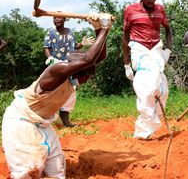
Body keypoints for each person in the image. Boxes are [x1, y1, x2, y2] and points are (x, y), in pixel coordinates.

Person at [2, 13, 113, 178]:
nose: (87, 78)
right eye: (86, 75)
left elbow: (98, 57)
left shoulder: (74, 77)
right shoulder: (57, 70)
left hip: (43, 124)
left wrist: (99, 29)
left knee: (57, 171)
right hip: (21, 121)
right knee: (27, 172)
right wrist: (105, 27)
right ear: (76, 67)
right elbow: (89, 59)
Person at [122, 0, 173, 140]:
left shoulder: (160, 9)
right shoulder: (131, 10)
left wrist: (168, 50)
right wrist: (126, 64)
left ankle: (151, 122)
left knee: (161, 88)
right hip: (139, 48)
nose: (151, 1)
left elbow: (168, 29)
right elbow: (124, 36)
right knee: (146, 87)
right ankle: (142, 131)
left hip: (156, 48)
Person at [43, 15, 95, 127]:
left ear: (65, 19)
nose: (56, 19)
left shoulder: (70, 32)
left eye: (58, 18)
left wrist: (82, 44)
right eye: (54, 18)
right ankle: (47, 118)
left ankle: (65, 120)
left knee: (71, 90)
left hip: (70, 65)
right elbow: (46, 47)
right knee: (52, 90)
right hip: (56, 65)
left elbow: (74, 48)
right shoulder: (51, 32)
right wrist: (50, 58)